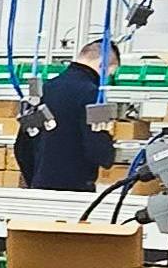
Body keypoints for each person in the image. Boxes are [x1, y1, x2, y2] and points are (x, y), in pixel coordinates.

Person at [29, 40, 120, 192]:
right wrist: (109, 153)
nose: (108, 79)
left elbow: (24, 144)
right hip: (76, 188)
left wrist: (34, 178)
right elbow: (99, 150)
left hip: (40, 185)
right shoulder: (95, 94)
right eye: (110, 73)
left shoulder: (45, 88)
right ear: (103, 66)